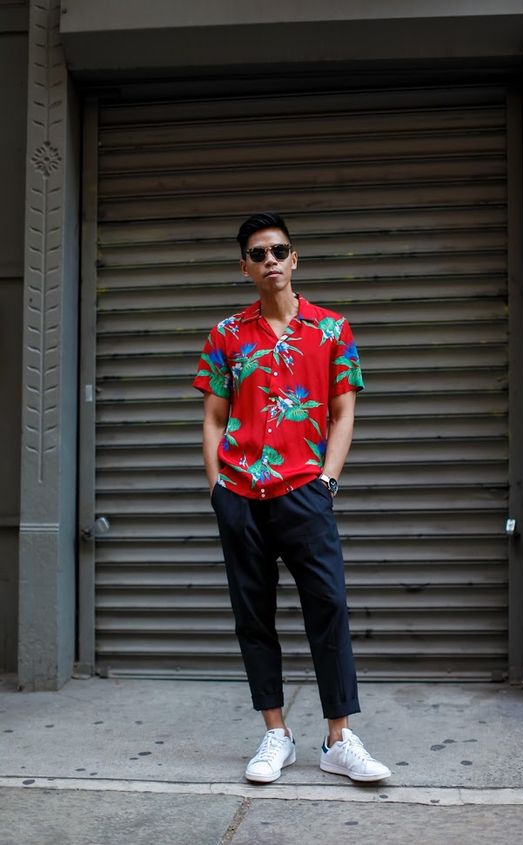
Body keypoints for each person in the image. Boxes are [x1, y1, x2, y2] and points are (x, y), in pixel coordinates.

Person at [193, 212, 391, 785]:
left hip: (305, 492)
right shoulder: (226, 335)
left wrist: (328, 480)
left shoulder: (331, 330)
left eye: (279, 250)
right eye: (258, 254)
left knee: (328, 606)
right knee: (253, 615)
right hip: (240, 493)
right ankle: (275, 734)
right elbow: (213, 419)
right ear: (245, 267)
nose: (270, 260)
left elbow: (343, 412)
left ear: (294, 258)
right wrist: (217, 489)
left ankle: (338, 740)